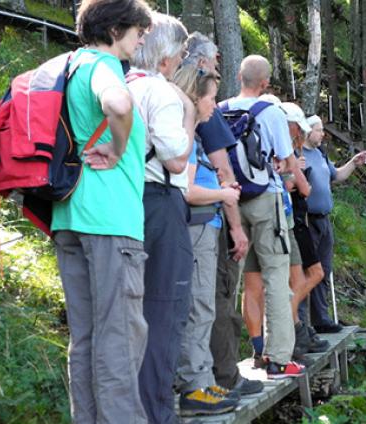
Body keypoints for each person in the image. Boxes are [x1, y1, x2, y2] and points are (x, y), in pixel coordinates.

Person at [50, 0, 152, 422]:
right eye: (137, 30)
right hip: (110, 220)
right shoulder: (103, 67)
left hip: (70, 216)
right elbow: (120, 106)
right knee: (120, 340)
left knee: (86, 339)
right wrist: (119, 147)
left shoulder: (69, 66)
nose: (142, 37)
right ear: (114, 31)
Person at [183, 32, 263, 396]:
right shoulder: (201, 107)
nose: (217, 64)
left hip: (193, 215)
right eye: (214, 58)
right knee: (216, 301)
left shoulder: (184, 102)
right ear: (201, 61)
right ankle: (223, 377)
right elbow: (224, 171)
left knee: (208, 301)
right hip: (206, 218)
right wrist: (236, 228)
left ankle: (211, 377)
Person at [127, 13, 193, 423]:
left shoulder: (119, 82)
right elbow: (176, 160)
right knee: (165, 311)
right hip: (161, 203)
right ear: (167, 59)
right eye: (182, 54)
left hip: (124, 203)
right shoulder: (161, 92)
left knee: (128, 314)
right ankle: (156, 412)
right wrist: (188, 111)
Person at [223, 55, 304, 378]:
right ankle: (278, 358)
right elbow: (286, 159)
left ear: (239, 77)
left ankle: (224, 360)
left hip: (230, 199)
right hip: (265, 199)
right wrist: (286, 167)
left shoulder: (221, 108)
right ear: (265, 83)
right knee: (274, 277)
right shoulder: (270, 112)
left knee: (231, 280)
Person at [171, 60, 241, 416]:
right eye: (211, 98)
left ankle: (203, 378)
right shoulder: (185, 134)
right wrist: (224, 195)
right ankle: (195, 386)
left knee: (205, 306)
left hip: (203, 225)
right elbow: (187, 190)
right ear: (195, 97)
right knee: (199, 306)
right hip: (195, 225)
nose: (215, 106)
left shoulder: (193, 134)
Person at [241, 101, 328, 362]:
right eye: (296, 129)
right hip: (279, 216)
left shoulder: (253, 137)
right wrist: (294, 172)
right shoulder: (277, 141)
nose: (297, 134)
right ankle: (282, 343)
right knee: (284, 283)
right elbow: (301, 187)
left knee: (256, 285)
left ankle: (268, 343)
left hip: (254, 210)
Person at [299, 115, 366, 334]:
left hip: (324, 220)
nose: (323, 134)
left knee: (324, 270)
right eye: (319, 130)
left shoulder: (320, 154)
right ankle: (301, 323)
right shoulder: (298, 155)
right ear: (308, 131)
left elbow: (336, 175)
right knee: (306, 270)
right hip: (307, 220)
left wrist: (354, 163)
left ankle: (321, 319)